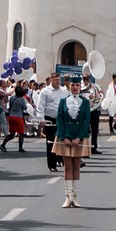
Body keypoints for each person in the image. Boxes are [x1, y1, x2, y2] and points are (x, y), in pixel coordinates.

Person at [55, 76, 91, 208]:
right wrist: (64, 137)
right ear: (69, 86)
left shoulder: (85, 102)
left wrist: (79, 137)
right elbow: (59, 120)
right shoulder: (63, 101)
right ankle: (68, 196)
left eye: (77, 85)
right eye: (72, 85)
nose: (75, 88)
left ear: (80, 87)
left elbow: (86, 121)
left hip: (78, 137)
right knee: (67, 167)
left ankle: (75, 197)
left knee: (76, 166)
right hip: (65, 137)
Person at [38, 74, 67, 173]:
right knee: (51, 142)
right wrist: (41, 119)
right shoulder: (45, 91)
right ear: (51, 80)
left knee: (63, 140)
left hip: (62, 119)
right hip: (50, 118)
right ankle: (52, 164)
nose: (58, 82)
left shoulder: (64, 91)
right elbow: (41, 105)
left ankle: (61, 159)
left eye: (59, 80)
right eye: (56, 80)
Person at [1, 87, 32, 152]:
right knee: (21, 133)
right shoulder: (21, 99)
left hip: (11, 116)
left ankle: (3, 144)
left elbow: (10, 105)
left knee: (12, 133)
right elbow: (25, 107)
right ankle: (20, 148)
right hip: (18, 117)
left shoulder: (12, 98)